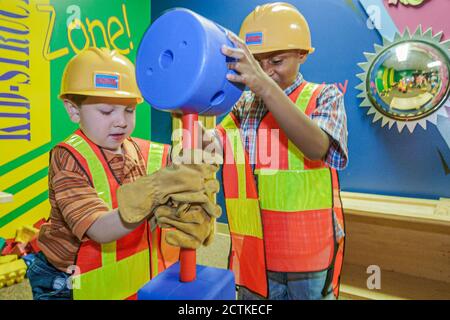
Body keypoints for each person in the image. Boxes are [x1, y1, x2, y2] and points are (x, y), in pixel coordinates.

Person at [26, 47, 219, 300]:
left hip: (121, 275)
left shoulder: (143, 150)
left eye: (129, 110)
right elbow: (99, 229)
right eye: (107, 111)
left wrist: (203, 153)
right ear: (74, 110)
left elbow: (185, 163)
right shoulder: (69, 158)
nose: (121, 121)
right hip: (65, 278)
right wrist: (157, 189)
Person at [216, 2, 348, 300]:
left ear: (302, 54)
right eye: (257, 62)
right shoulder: (244, 105)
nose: (265, 71)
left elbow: (317, 147)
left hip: (308, 252)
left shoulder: (325, 96)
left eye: (276, 61)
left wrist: (263, 87)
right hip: (255, 247)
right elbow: (216, 143)